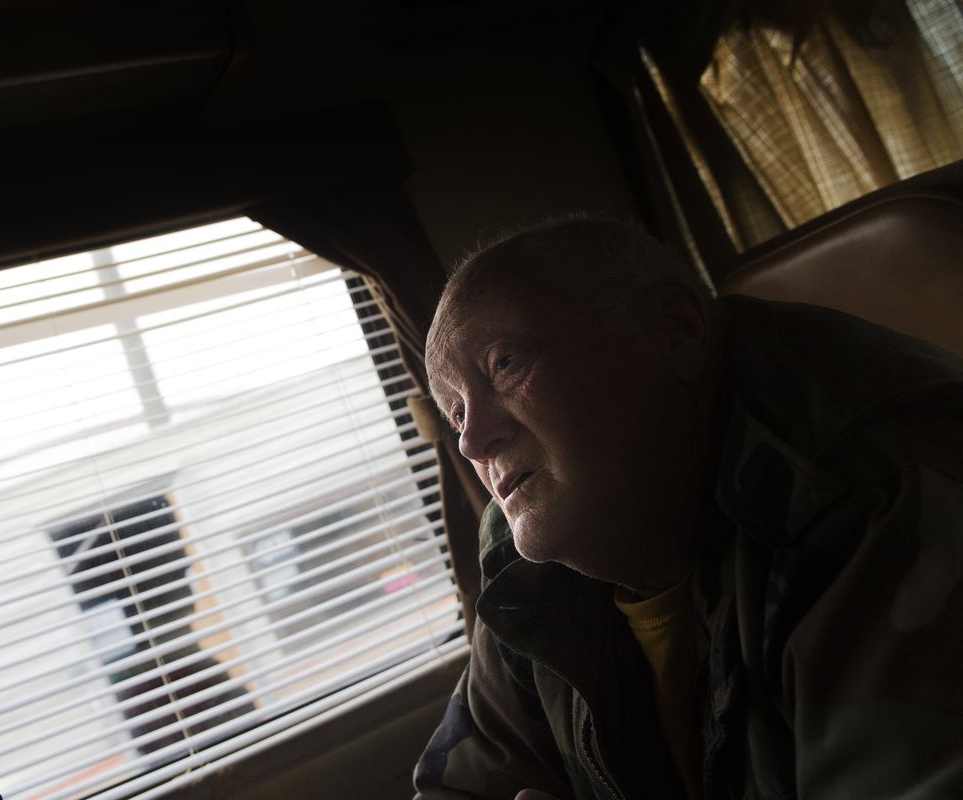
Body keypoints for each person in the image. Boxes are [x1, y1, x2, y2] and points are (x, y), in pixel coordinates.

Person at [412, 216, 963, 800]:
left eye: (504, 364)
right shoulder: (529, 549)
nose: (472, 442)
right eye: (455, 415)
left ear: (675, 328)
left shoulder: (869, 489)